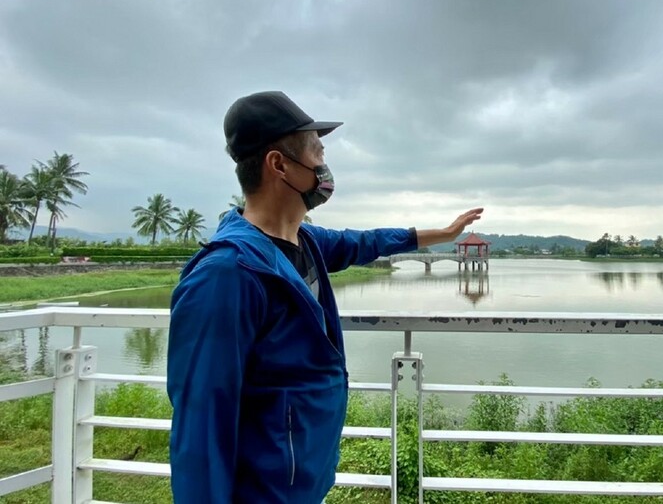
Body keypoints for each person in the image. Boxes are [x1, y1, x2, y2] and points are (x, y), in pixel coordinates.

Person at [166, 90, 483, 504]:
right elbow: (201, 427)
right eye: (317, 151)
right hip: (262, 491)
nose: (324, 165)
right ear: (279, 164)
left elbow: (366, 242)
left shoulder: (305, 240)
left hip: (301, 482)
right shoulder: (227, 275)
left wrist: (441, 235)